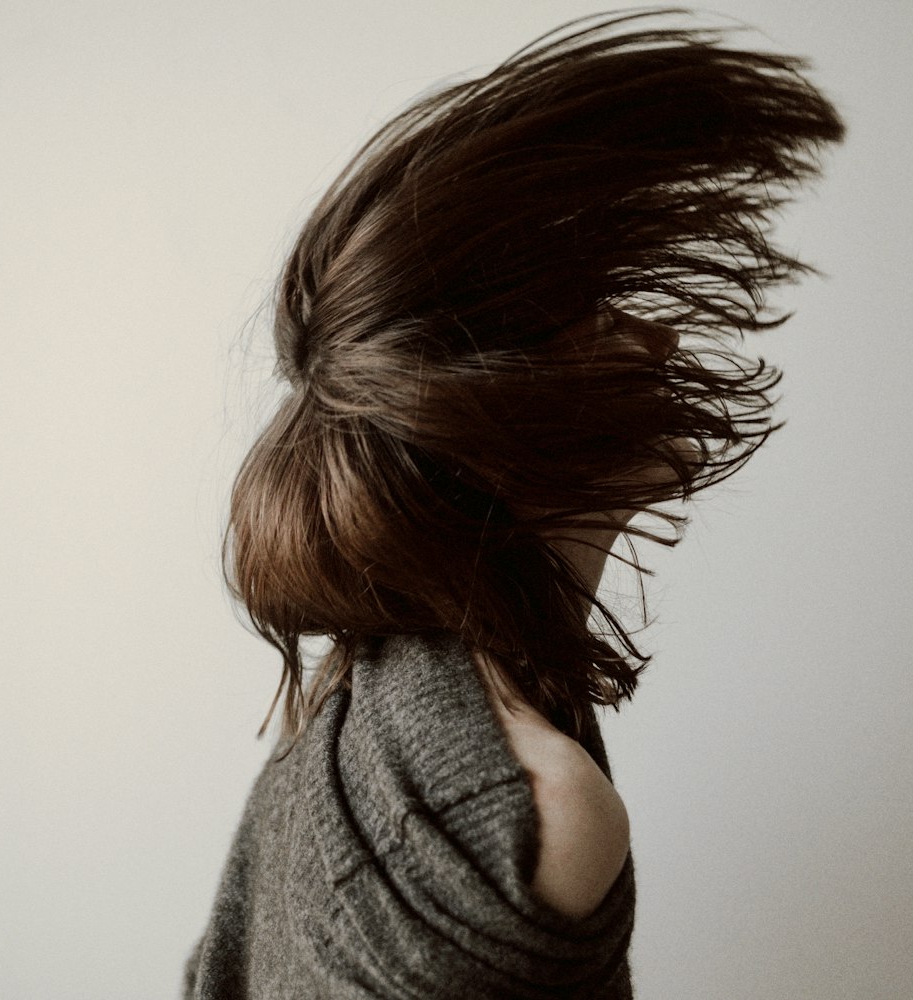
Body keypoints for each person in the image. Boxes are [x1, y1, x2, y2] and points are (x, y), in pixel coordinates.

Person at [184, 10, 844, 998]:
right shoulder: (533, 815)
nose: (658, 344)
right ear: (498, 415)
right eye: (601, 324)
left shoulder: (359, 698)